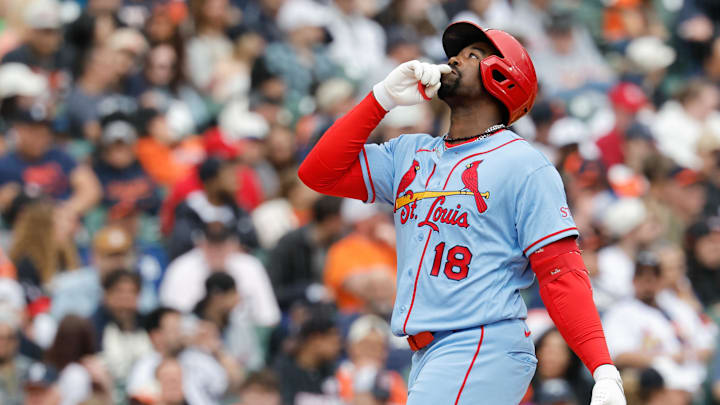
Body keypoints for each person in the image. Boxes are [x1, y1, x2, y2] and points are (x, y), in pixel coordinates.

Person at [299, 21, 625, 404]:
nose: (453, 59)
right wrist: (382, 98)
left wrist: (603, 369)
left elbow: (560, 271)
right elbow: (317, 172)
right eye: (455, 52)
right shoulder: (409, 153)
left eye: (473, 55)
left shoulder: (523, 163)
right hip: (429, 352)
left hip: (482, 341)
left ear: (503, 76)